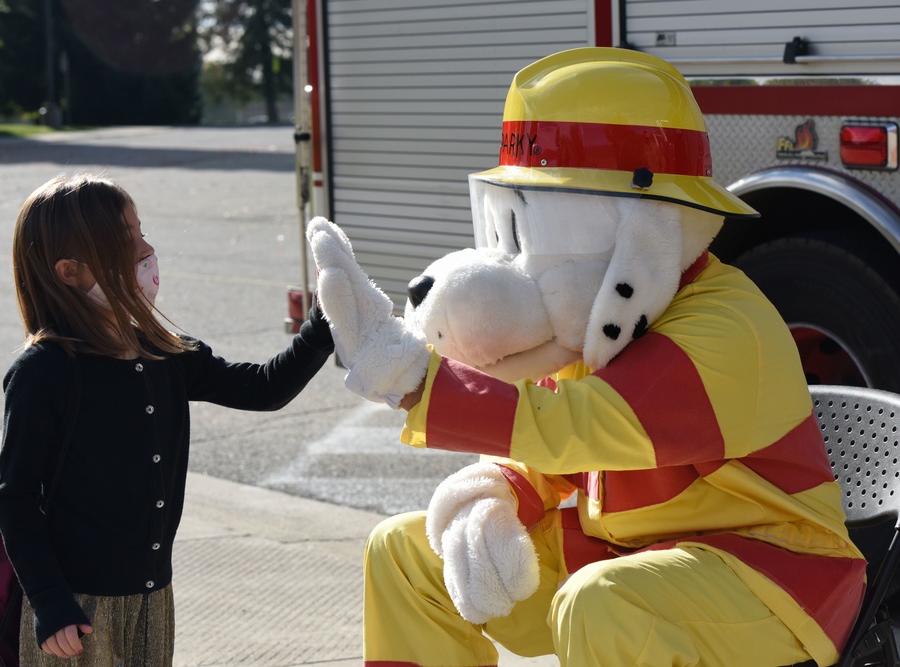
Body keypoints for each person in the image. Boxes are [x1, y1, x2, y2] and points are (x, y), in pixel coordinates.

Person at [307, 47, 865, 667]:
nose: (523, 262)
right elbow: (550, 439)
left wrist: (415, 380)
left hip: (771, 576)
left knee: (602, 604)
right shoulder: (603, 313)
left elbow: (582, 424)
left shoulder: (727, 326)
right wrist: (501, 492)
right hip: (631, 558)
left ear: (644, 232)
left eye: (541, 233)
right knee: (405, 553)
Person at [0, 174, 334, 665]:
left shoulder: (163, 352)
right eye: (125, 238)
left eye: (141, 230)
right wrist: (49, 601)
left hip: (153, 596)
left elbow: (263, 388)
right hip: (77, 608)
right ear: (69, 272)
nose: (146, 248)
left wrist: (322, 328)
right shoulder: (45, 371)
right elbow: (16, 499)